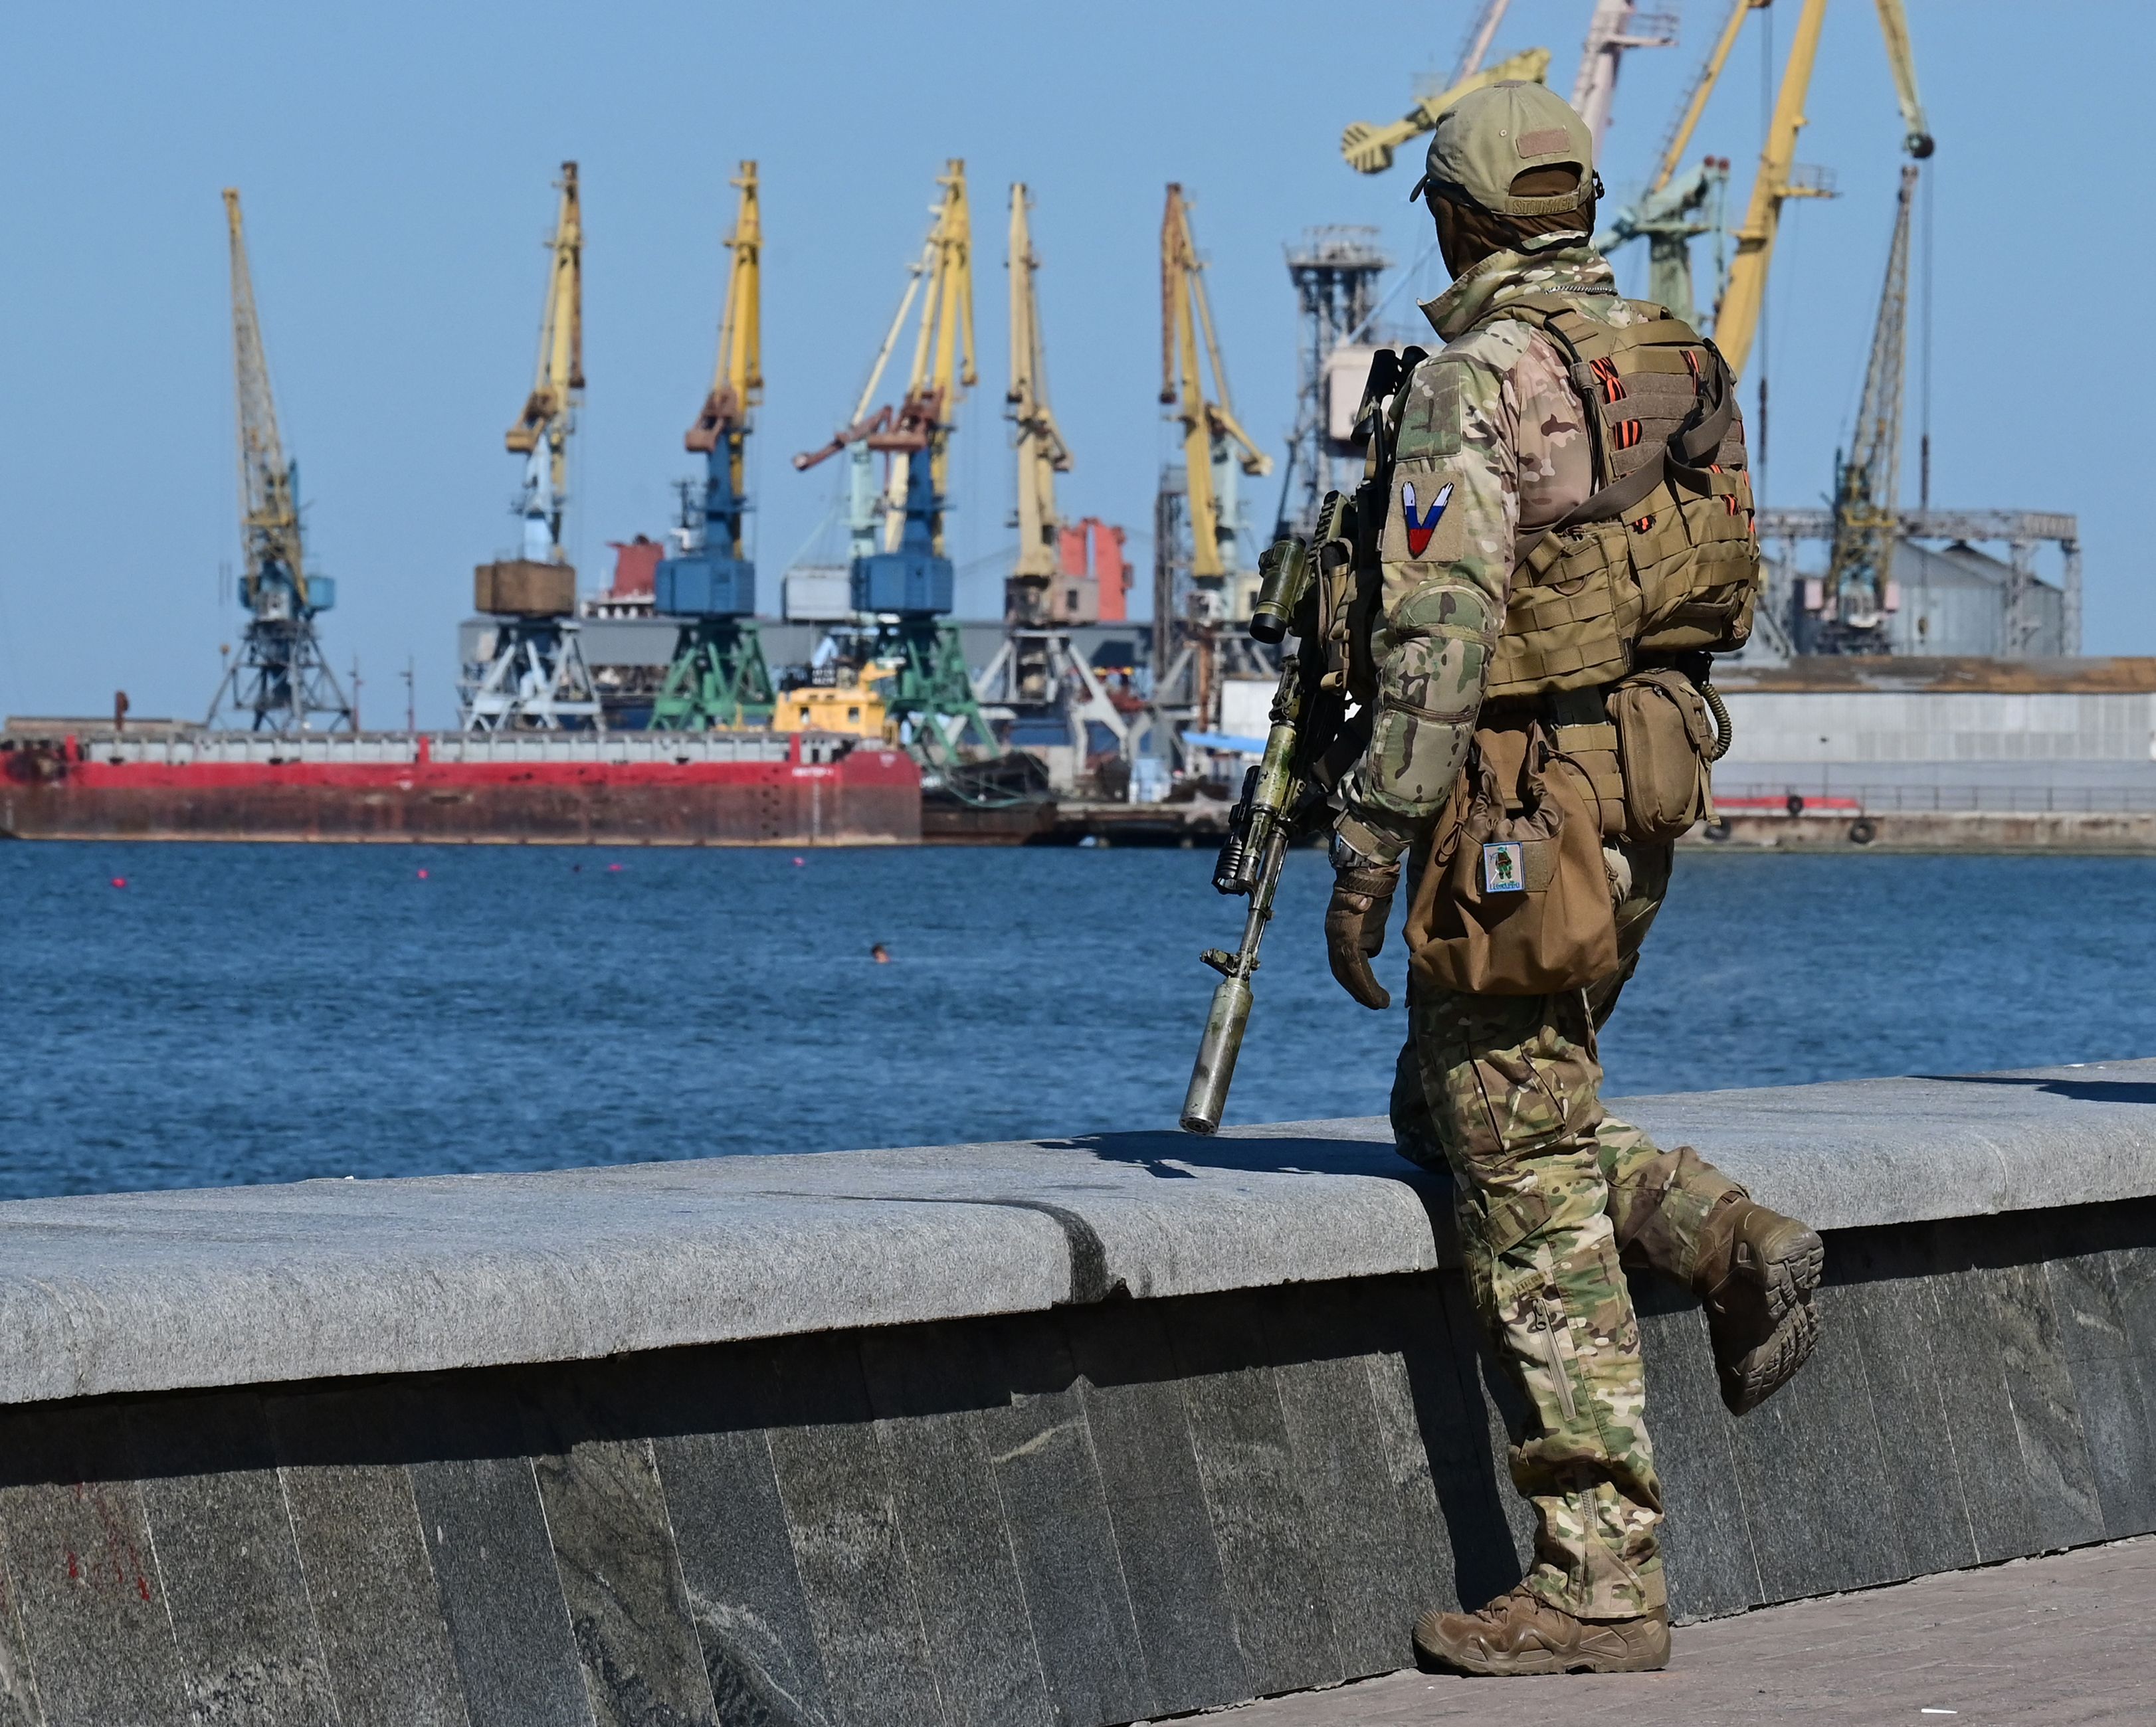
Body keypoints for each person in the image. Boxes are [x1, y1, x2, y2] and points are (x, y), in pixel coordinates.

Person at [1322, 82, 1824, 1677]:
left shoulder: (1472, 381)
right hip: (1650, 785)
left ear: (1465, 220)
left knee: (1524, 1185)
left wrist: (1369, 841)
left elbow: (1444, 630)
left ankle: (1600, 1575)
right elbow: (1723, 574)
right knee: (1464, 1109)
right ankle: (1721, 1236)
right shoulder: (1677, 354)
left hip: (1515, 813)